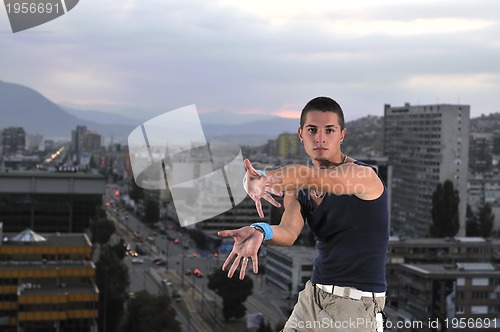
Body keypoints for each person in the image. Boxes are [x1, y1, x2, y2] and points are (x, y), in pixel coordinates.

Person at [217, 97, 389, 332]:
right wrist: (261, 230)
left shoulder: (363, 176)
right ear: (301, 134)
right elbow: (288, 233)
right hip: (312, 298)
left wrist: (262, 178)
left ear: (342, 135)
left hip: (355, 306)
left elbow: (306, 175)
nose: (320, 138)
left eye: (329, 130)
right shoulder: (299, 190)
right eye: (312, 130)